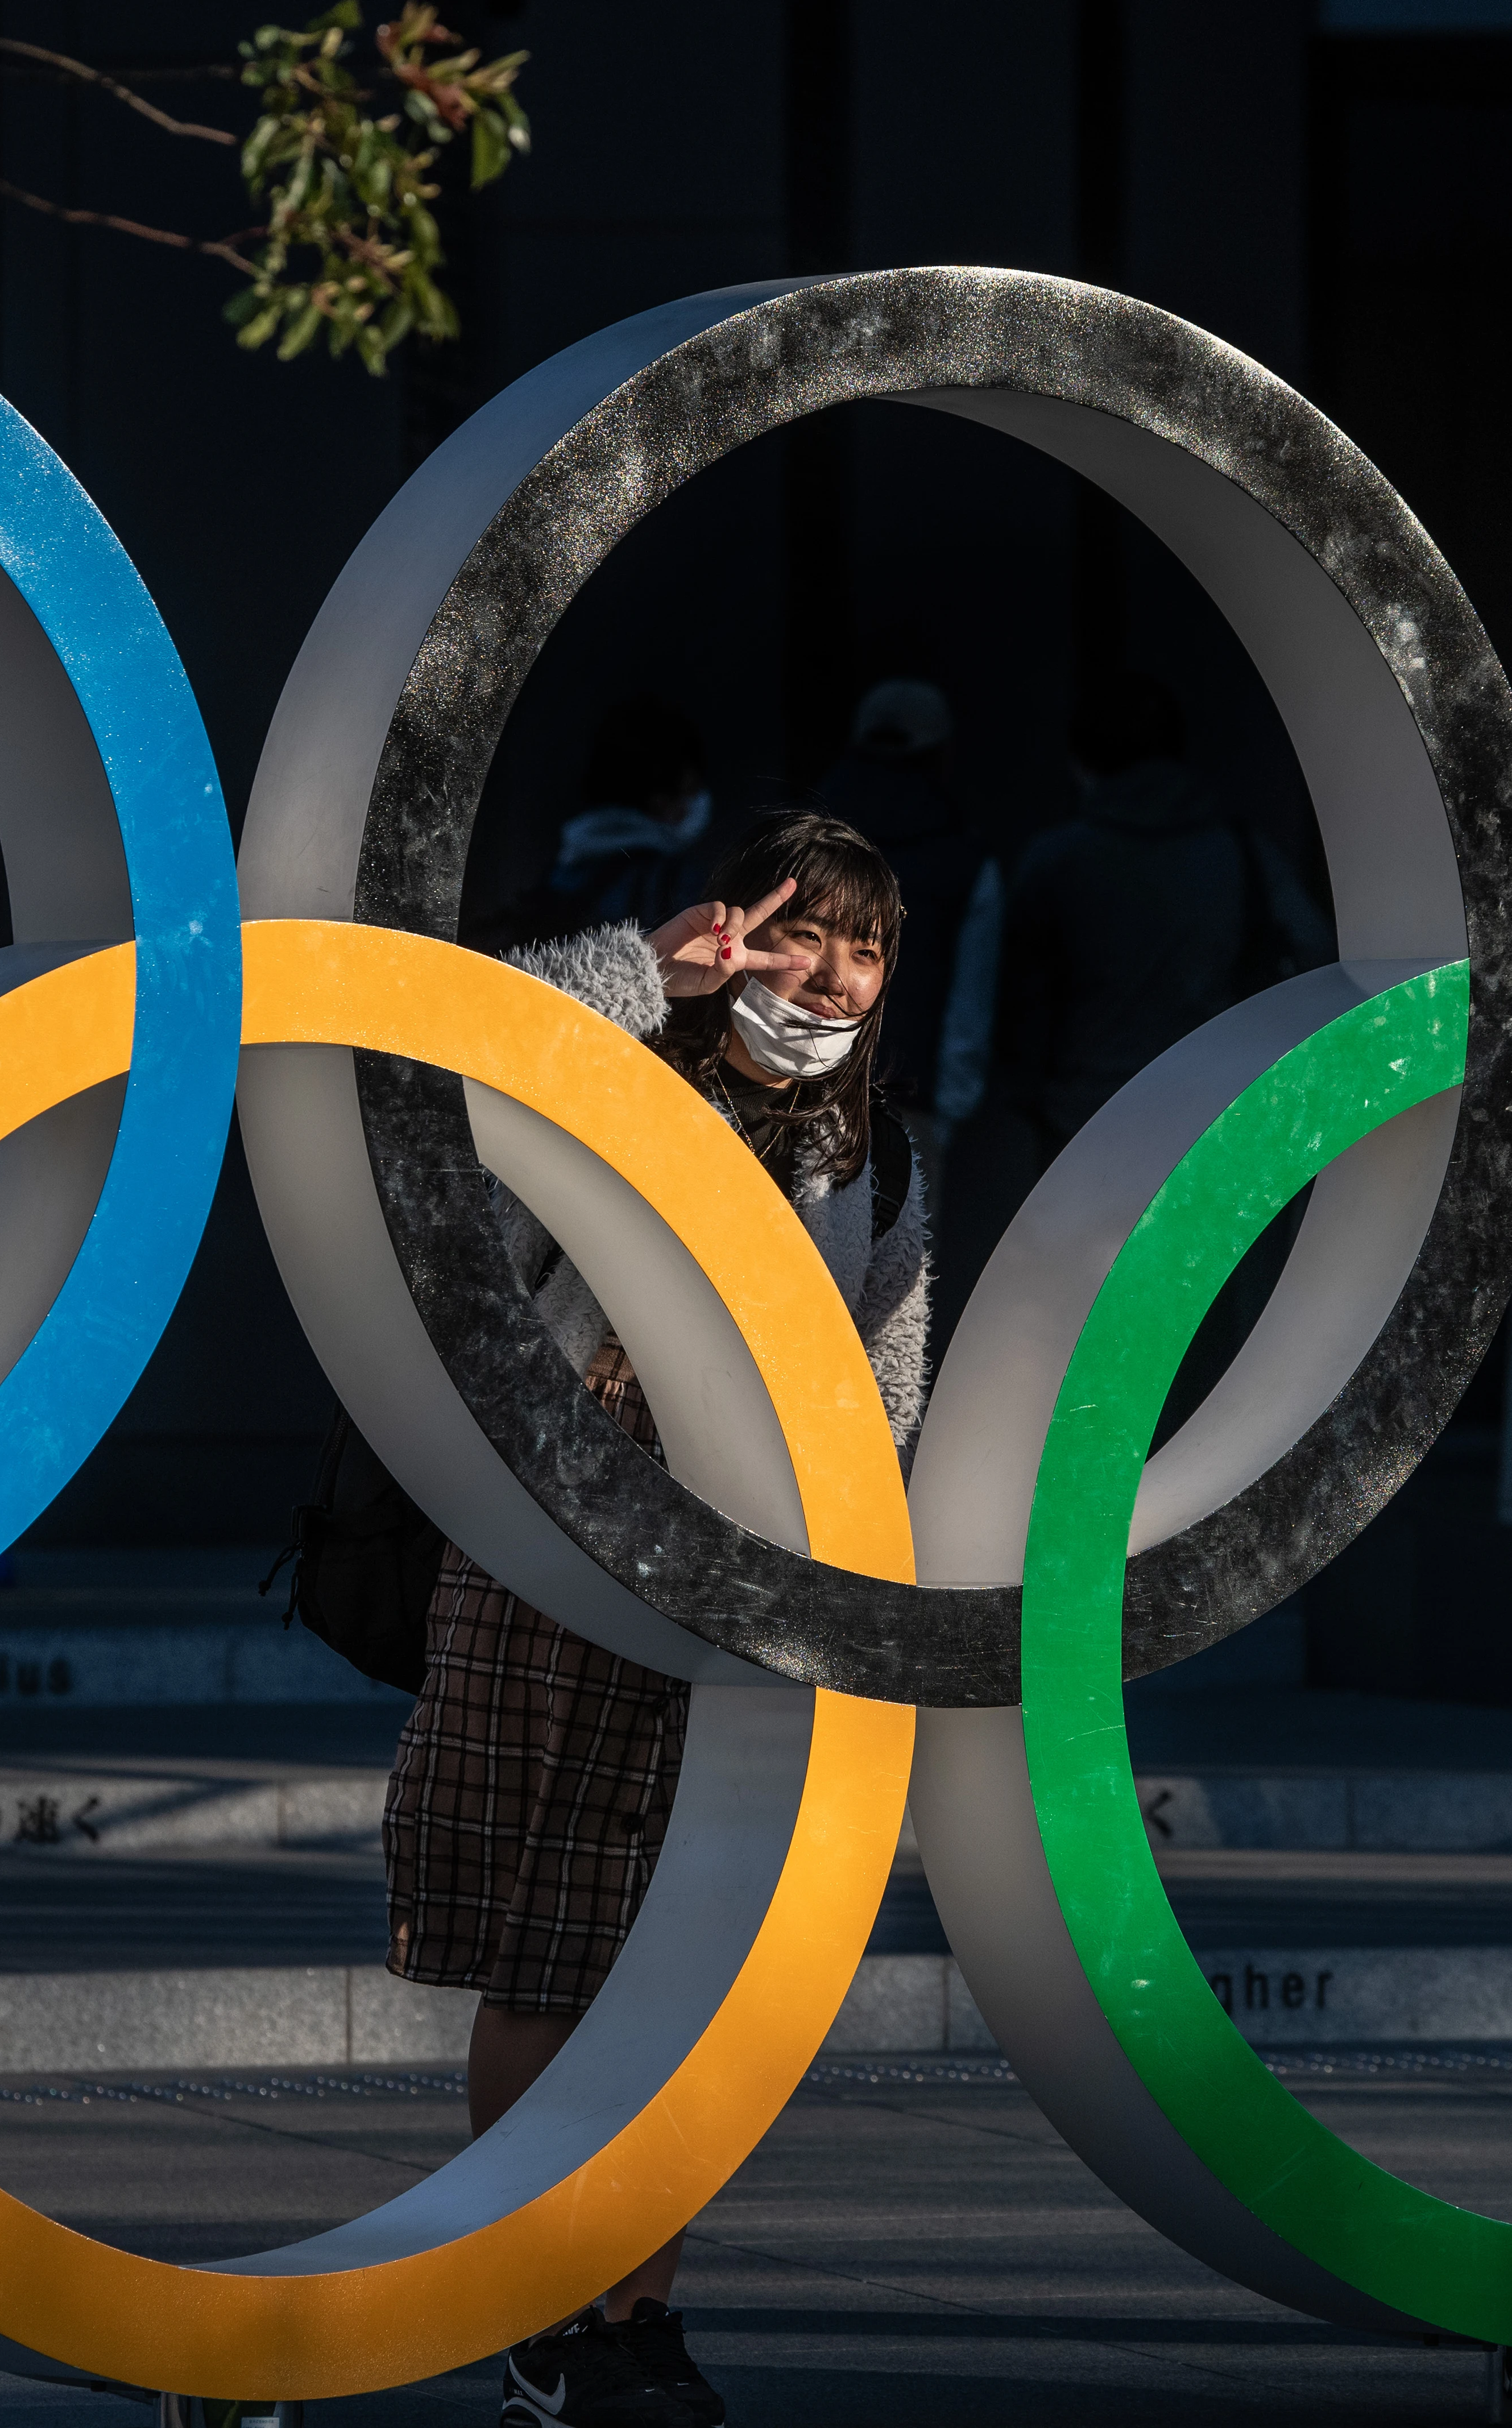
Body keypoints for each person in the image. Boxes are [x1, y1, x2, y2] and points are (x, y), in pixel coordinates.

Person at [382, 810, 937, 2428]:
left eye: (862, 946)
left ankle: (637, 2309)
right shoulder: (609, 1073)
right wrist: (639, 968)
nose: (825, 975)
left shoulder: (878, 1155)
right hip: (560, 1539)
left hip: (749, 1573)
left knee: (686, 1959)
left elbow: (885, 1390)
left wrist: (851, 1581)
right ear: (731, 929)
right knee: (551, 1943)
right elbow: (429, 1042)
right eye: (796, 932)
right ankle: (536, 2305)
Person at [983, 671, 1327, 1156]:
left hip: (1085, 1118)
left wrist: (1033, 1096)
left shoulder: (1057, 859)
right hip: (1214, 1110)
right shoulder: (1240, 851)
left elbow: (1018, 1002)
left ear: (1080, 762)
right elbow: (1313, 954)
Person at [811, 678, 993, 1126]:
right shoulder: (963, 860)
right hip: (909, 1101)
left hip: (803, 1091)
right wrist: (950, 1106)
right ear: (944, 753)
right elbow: (970, 1002)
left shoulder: (803, 837)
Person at [490, 694, 714, 944]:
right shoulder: (672, 882)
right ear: (659, 801)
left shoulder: (567, 859)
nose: (698, 800)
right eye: (691, 788)